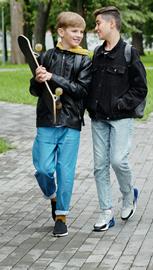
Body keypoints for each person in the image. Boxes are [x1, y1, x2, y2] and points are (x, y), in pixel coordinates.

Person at [30, 11, 92, 237]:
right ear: (61, 32)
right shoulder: (46, 56)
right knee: (43, 169)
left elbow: (81, 91)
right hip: (46, 120)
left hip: (71, 121)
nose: (79, 35)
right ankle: (52, 196)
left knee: (65, 171)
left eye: (81, 32)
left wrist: (53, 78)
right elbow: (34, 90)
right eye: (74, 31)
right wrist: (38, 79)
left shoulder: (84, 60)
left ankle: (61, 216)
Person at [87, 6, 148, 232]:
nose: (96, 28)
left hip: (121, 118)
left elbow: (141, 88)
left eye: (98, 24)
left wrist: (121, 104)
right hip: (98, 119)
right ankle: (106, 213)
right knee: (99, 167)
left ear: (112, 24)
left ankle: (128, 196)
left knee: (118, 160)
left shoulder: (129, 53)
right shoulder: (97, 53)